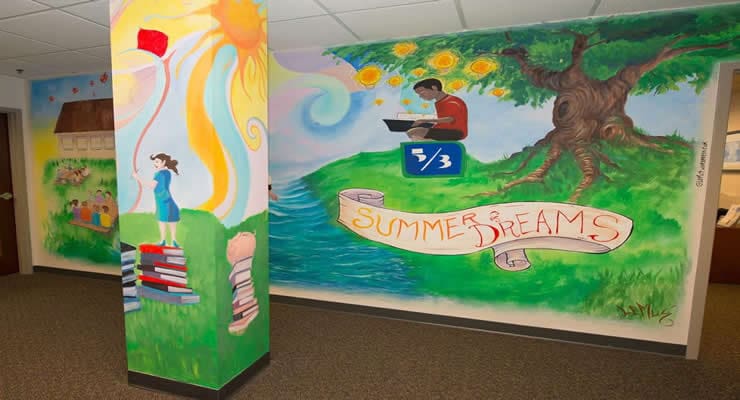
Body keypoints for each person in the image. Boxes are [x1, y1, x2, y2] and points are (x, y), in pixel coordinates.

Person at [132, 153, 181, 248]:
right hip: (167, 199)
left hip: (163, 200)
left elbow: (150, 186)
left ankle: (164, 241)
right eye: (154, 162)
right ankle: (172, 240)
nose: (155, 164)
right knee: (170, 220)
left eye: (157, 162)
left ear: (164, 162)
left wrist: (137, 177)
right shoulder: (167, 172)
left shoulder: (159, 174)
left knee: (162, 220)